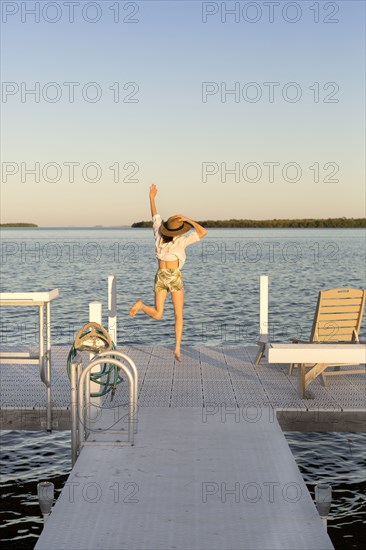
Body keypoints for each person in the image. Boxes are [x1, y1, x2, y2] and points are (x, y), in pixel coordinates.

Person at [130, 183, 208, 362]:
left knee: (158, 314)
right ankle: (178, 349)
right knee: (178, 314)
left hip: (160, 276)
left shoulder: (158, 235)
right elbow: (203, 231)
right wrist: (188, 219)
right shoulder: (180, 241)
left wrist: (151, 197)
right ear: (178, 231)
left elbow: (155, 216)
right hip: (173, 278)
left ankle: (141, 305)